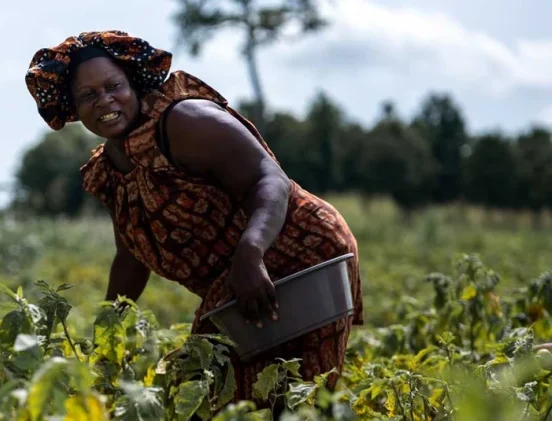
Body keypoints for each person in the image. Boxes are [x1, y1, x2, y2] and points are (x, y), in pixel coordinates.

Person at [24, 30, 363, 407]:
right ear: (73, 107)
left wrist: (250, 252)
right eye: (88, 95)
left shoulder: (184, 121)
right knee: (208, 394)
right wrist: (109, 331)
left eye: (113, 85)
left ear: (133, 83)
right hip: (234, 277)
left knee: (293, 398)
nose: (104, 100)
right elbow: (130, 258)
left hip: (298, 250)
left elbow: (269, 181)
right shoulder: (109, 171)